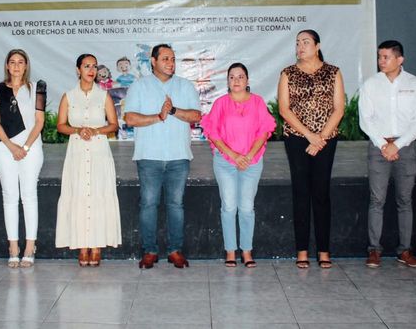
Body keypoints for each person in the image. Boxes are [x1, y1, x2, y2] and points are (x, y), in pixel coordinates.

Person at [125, 43, 201, 269]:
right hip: (149, 157)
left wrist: (174, 111)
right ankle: (150, 251)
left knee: (175, 205)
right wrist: (158, 117)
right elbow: (130, 119)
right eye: (166, 59)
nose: (171, 63)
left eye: (173, 59)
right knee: (148, 204)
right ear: (153, 61)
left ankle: (175, 250)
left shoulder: (185, 86)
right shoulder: (139, 86)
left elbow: (196, 115)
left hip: (179, 157)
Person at [277, 29, 345, 269]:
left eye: (305, 42)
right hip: (297, 139)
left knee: (321, 193)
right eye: (297, 43)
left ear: (317, 46)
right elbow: (284, 110)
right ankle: (302, 250)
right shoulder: (288, 73)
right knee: (301, 192)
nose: (300, 46)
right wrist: (309, 136)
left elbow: (339, 108)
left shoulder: (333, 72)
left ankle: (324, 251)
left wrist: (321, 138)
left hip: (326, 140)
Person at [359, 40, 416, 269]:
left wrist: (397, 145)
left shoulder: (415, 84)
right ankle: (374, 250)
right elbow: (365, 119)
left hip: (405, 148)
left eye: (386, 57)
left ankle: (405, 251)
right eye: (379, 56)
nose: (381, 61)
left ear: (400, 59)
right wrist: (383, 144)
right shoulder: (370, 84)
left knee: (404, 201)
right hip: (378, 148)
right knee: (376, 200)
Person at [200, 62, 275, 268]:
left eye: (240, 76)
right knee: (229, 207)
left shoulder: (258, 102)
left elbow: (264, 131)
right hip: (225, 162)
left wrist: (249, 155)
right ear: (227, 81)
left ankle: (247, 251)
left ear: (248, 80)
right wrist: (234, 155)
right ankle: (231, 251)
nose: (236, 81)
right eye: (232, 77)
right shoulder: (220, 104)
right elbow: (212, 134)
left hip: (252, 162)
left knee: (247, 208)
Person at [55, 54, 122, 266]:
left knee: (98, 196)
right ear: (78, 70)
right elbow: (60, 125)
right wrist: (77, 129)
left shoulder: (104, 96)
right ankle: (82, 247)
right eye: (86, 66)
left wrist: (96, 130)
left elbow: (113, 125)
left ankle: (96, 246)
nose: (91, 70)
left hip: (99, 152)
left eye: (94, 66)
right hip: (76, 152)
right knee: (79, 196)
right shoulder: (68, 96)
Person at [0, 49, 46, 268]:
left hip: (31, 148)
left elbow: (39, 121)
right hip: (5, 148)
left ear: (26, 66)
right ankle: (13, 246)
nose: (16, 66)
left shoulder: (36, 89)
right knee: (10, 197)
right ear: (6, 65)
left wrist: (24, 146)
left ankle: (30, 246)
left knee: (29, 196)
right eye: (12, 62)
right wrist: (12, 146)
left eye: (20, 62)